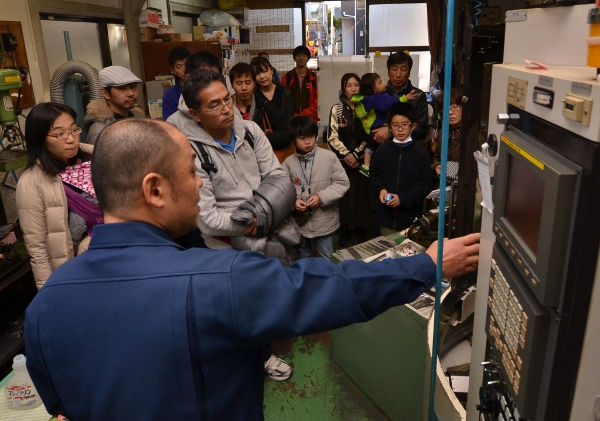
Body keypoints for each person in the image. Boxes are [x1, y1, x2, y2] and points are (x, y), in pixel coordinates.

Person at [24, 117, 481, 421]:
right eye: (191, 172)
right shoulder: (216, 280)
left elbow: (62, 405)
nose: (200, 182)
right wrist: (425, 265)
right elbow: (328, 287)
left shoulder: (44, 308)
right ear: (155, 189)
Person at [169, 69, 294, 379]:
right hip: (223, 248)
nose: (226, 108)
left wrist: (259, 216)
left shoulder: (250, 130)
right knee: (236, 306)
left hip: (262, 231)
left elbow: (279, 177)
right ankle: (254, 358)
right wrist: (252, 220)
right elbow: (209, 220)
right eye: (215, 105)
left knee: (263, 297)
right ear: (195, 114)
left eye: (227, 100)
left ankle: (262, 350)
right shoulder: (190, 151)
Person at [16, 103, 98, 290]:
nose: (70, 139)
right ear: (39, 139)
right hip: (75, 271)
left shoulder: (97, 156)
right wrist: (48, 292)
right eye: (59, 134)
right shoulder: (31, 183)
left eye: (74, 130)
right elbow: (38, 249)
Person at [283, 116, 349, 259]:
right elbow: (282, 190)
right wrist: (293, 201)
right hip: (299, 223)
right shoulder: (288, 163)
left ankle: (328, 281)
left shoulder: (329, 157)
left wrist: (321, 197)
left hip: (324, 221)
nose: (308, 141)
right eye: (302, 138)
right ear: (293, 140)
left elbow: (342, 182)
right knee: (303, 256)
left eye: (311, 136)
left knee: (326, 256)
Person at [370, 103, 433, 236]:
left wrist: (402, 199)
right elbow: (374, 174)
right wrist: (381, 189)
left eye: (405, 125)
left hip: (410, 219)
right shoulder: (382, 150)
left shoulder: (421, 154)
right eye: (395, 125)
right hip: (385, 217)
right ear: (389, 127)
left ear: (413, 126)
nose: (400, 129)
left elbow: (425, 184)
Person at [327, 73, 372, 246]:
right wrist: (347, 155)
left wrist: (357, 155)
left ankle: (361, 228)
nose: (353, 89)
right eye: (348, 85)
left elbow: (369, 134)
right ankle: (345, 229)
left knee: (361, 196)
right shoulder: (336, 109)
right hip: (342, 162)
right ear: (343, 89)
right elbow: (332, 137)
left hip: (362, 160)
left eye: (356, 85)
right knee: (344, 197)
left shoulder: (366, 108)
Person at [352, 72, 417, 177]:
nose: (383, 83)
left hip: (372, 128)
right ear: (374, 90)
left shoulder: (366, 99)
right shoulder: (379, 97)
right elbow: (390, 103)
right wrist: (405, 98)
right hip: (380, 126)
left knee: (371, 146)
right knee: (383, 146)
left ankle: (366, 165)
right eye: (380, 82)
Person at [371, 51, 429, 145]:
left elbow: (422, 129)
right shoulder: (377, 94)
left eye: (403, 69)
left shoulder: (418, 95)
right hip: (380, 149)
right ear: (388, 72)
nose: (398, 74)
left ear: (409, 72)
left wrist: (390, 132)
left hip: (408, 150)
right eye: (394, 69)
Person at [84, 66, 144, 144]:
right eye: (122, 88)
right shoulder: (100, 131)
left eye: (133, 87)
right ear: (105, 93)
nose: (131, 93)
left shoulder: (137, 116)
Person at [250, 57, 295, 161]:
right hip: (262, 149)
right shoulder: (254, 96)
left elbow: (290, 121)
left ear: (272, 71)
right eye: (257, 73)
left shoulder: (286, 93)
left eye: (265, 71)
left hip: (285, 144)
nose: (262, 77)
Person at [166, 50, 224, 129]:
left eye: (216, 77)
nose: (212, 84)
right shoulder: (174, 122)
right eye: (205, 78)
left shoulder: (231, 109)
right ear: (188, 78)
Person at [280, 45, 318, 123]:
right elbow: (282, 99)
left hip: (309, 119)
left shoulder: (314, 78)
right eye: (298, 55)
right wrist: (293, 115)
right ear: (294, 58)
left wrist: (304, 114)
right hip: (291, 120)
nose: (301, 58)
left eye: (304, 55)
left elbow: (317, 100)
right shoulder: (287, 78)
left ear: (308, 58)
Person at [432, 88, 463, 178]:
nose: (450, 112)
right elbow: (437, 157)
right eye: (446, 108)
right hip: (446, 182)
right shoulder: (443, 131)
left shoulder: (472, 134)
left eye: (455, 107)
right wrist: (436, 166)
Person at [162, 46, 191, 121]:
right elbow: (169, 123)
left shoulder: (203, 87)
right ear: (173, 70)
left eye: (187, 64)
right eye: (179, 66)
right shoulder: (169, 95)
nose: (184, 69)